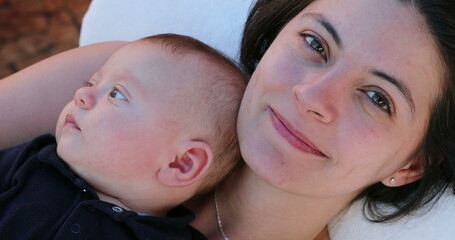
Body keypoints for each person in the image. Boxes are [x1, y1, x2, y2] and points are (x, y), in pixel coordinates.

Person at [1, 0, 455, 239]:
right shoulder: (127, 80)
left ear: (411, 165)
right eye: (315, 44)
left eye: (377, 98)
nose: (312, 96)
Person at [0, 34, 246, 239]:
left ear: (180, 163)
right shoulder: (29, 163)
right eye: (92, 82)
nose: (82, 94)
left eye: (117, 94)